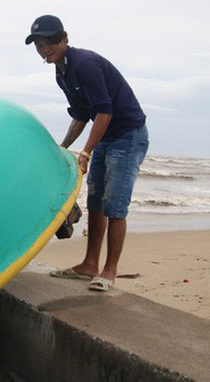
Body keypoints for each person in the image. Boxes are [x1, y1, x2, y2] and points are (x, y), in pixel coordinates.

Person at [25, 15, 149, 292]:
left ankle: (109, 271)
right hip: (106, 135)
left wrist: (86, 152)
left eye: (51, 42)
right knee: (95, 202)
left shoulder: (85, 64)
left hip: (128, 135)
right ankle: (89, 264)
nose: (45, 49)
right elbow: (82, 115)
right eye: (39, 45)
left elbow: (104, 111)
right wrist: (64, 147)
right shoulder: (61, 72)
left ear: (65, 38)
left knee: (114, 205)